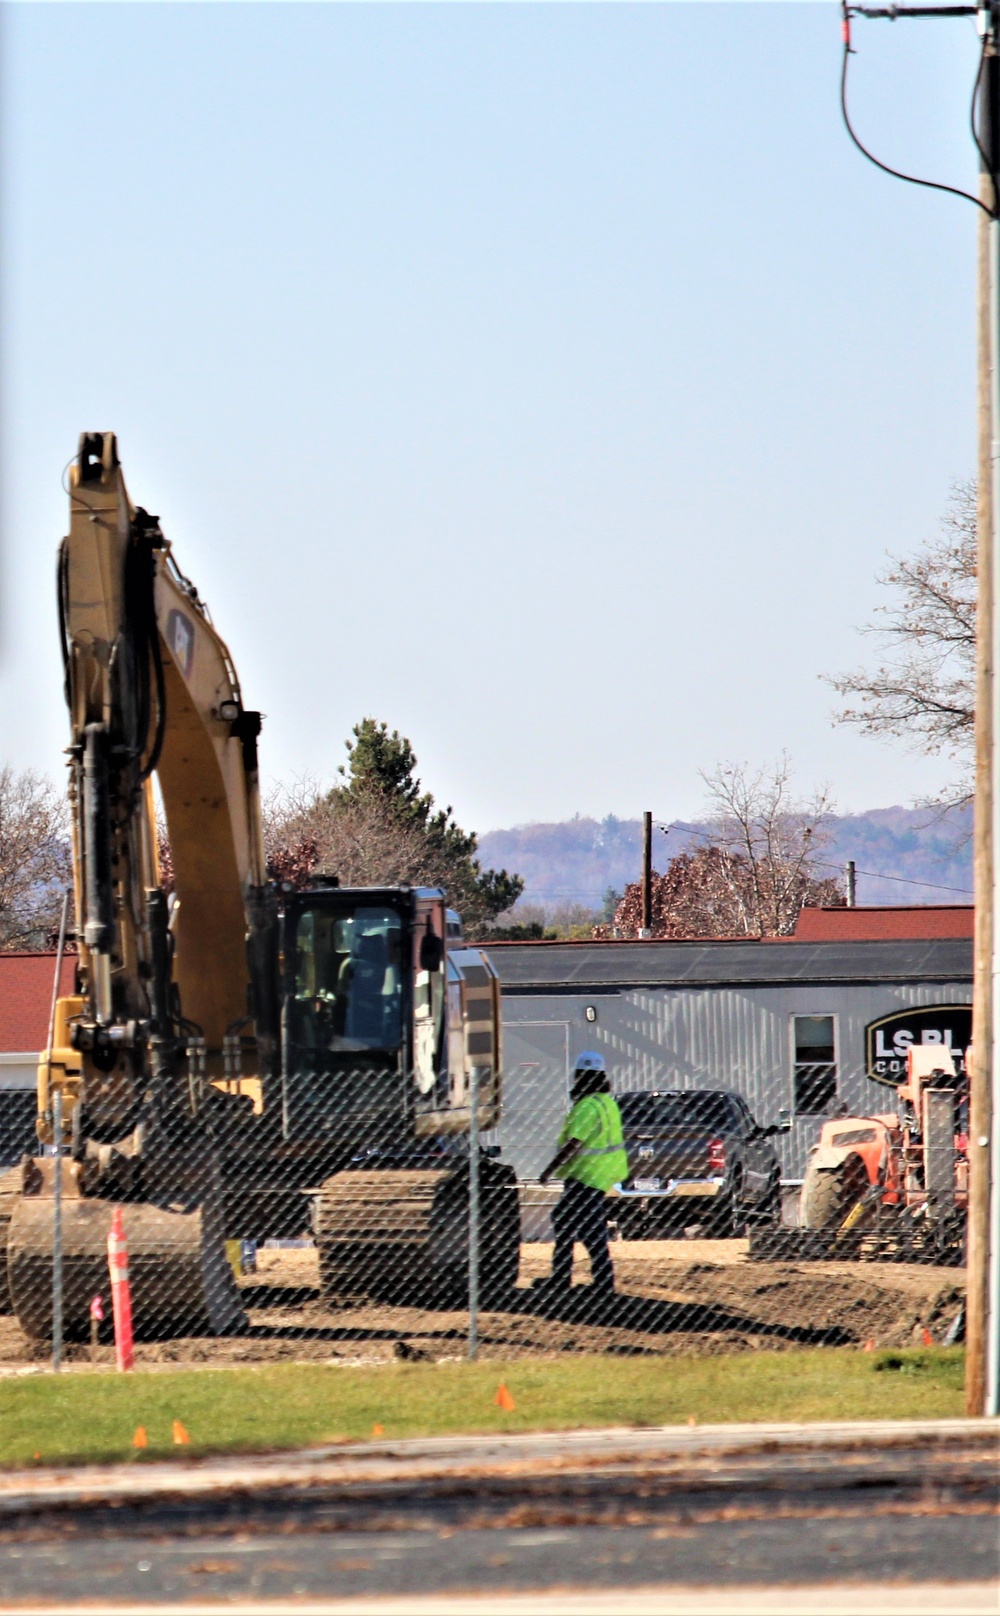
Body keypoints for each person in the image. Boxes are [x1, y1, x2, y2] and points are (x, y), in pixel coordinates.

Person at [536, 1051, 628, 1300]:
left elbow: (573, 1144)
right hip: (597, 1176)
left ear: (580, 1077)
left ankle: (575, 1281)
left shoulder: (586, 1107)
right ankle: (587, 1280)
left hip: (584, 1176)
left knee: (580, 1227)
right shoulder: (606, 1103)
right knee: (578, 1225)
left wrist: (548, 1170)